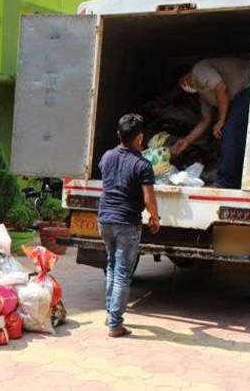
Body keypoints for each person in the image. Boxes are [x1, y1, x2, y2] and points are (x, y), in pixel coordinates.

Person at [98, 114, 160, 338]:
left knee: (112, 267)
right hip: (127, 222)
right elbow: (148, 200)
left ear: (118, 135)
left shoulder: (106, 157)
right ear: (140, 137)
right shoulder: (142, 164)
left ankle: (110, 315)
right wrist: (155, 218)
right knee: (122, 273)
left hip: (104, 220)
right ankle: (115, 324)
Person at [176, 58, 250, 188]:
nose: (183, 86)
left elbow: (222, 88)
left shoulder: (198, 70)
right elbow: (205, 119)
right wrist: (187, 140)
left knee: (230, 131)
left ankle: (226, 183)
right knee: (228, 134)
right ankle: (230, 178)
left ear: (183, 78)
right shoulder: (203, 94)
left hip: (249, 85)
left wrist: (221, 121)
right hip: (238, 95)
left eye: (181, 82)